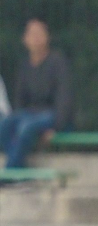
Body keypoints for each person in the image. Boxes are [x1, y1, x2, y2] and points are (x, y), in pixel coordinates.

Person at [1, 19, 73, 169]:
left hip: (50, 114)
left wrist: (56, 127)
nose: (35, 38)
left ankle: (9, 174)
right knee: (5, 126)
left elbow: (64, 97)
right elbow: (19, 99)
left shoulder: (57, 62)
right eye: (31, 34)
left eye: (39, 34)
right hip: (30, 114)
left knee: (26, 127)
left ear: (47, 37)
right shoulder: (24, 65)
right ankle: (19, 168)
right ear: (25, 39)